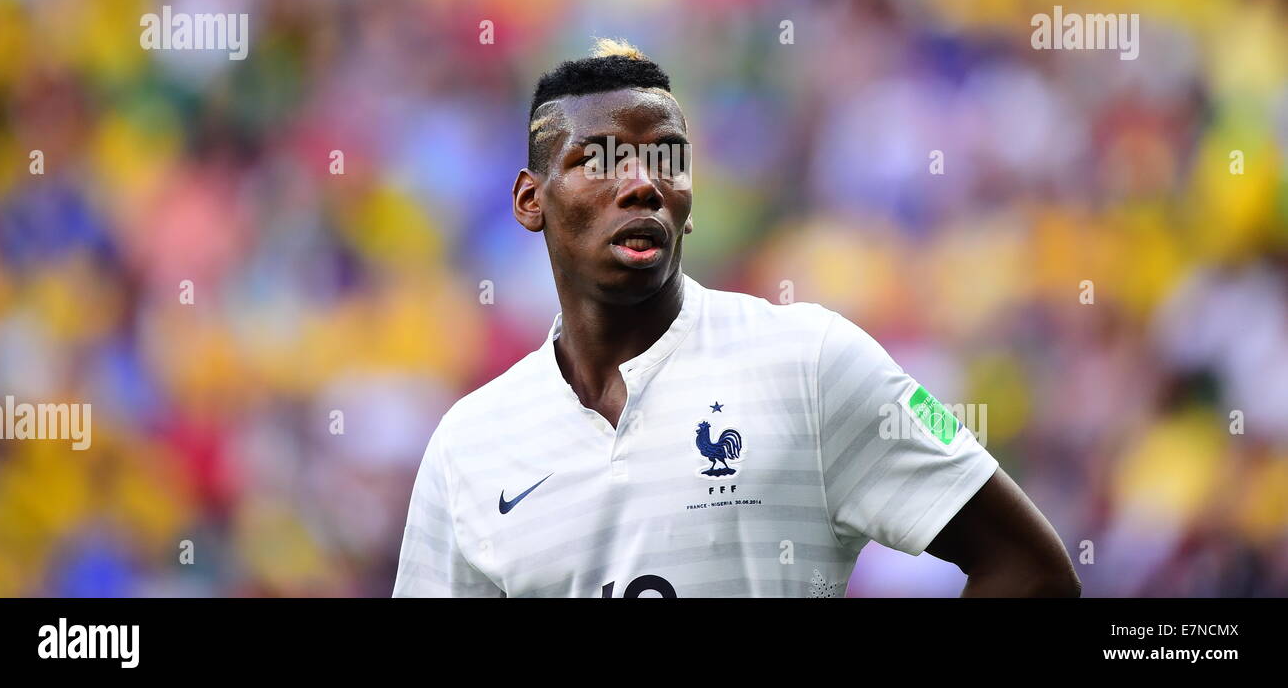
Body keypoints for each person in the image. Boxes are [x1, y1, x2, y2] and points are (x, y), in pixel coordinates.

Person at [393, 38, 1081, 597]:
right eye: (596, 160)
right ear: (529, 199)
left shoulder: (809, 362)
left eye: (666, 156)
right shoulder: (471, 446)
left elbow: (1030, 570)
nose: (641, 182)